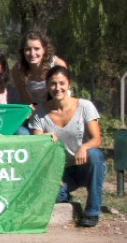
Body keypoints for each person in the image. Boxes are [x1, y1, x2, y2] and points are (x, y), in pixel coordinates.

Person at [28, 66, 104, 227]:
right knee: (55, 195)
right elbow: (38, 146)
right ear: (47, 86)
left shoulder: (84, 106)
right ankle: (64, 196)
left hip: (83, 164)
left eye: (62, 83)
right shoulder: (39, 112)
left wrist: (84, 147)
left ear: (69, 85)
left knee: (95, 155)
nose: (57, 88)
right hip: (59, 171)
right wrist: (45, 138)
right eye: (53, 84)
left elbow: (97, 140)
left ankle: (92, 212)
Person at [10, 30, 68, 106]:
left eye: (36, 49)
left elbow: (62, 91)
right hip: (34, 109)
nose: (32, 54)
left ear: (44, 49)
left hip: (58, 105)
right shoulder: (17, 70)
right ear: (22, 51)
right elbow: (24, 98)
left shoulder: (57, 65)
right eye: (28, 49)